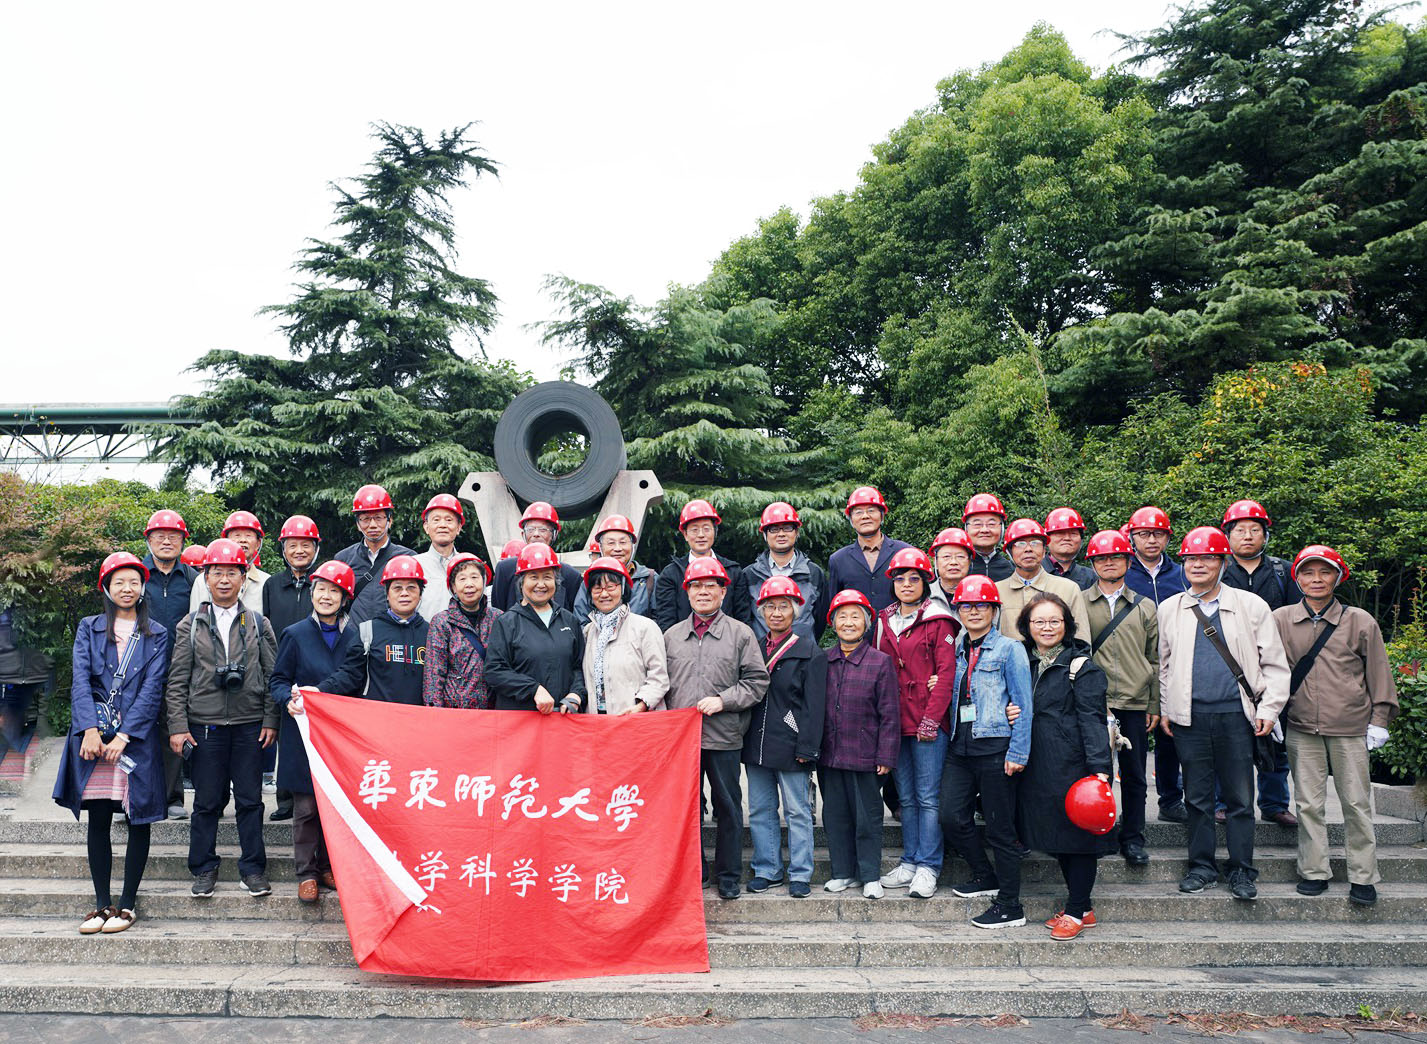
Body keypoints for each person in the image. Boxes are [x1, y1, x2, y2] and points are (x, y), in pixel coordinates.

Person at [1158, 526, 1290, 901]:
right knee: (1197, 798)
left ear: (1223, 562)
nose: (1198, 564)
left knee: (1239, 798)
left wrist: (1269, 709)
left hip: (1237, 715)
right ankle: (1201, 866)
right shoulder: (1171, 608)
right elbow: (1164, 666)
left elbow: (1275, 664)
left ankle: (1242, 868)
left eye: (1208, 558)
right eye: (1191, 559)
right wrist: (1167, 708)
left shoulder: (1251, 606)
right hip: (1190, 718)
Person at [53, 552, 169, 935]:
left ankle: (128, 904)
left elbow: (152, 689)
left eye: (134, 581)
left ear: (143, 587)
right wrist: (88, 729)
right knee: (99, 818)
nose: (127, 588)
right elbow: (81, 679)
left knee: (138, 818)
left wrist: (124, 735)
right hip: (95, 740)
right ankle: (102, 903)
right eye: (119, 582)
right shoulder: (88, 628)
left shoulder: (157, 633)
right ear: (106, 587)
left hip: (134, 741)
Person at [1275, 545, 1398, 907]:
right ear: (1297, 578)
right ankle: (1314, 870)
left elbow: (1379, 671)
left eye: (1324, 572)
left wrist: (1380, 719)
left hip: (1350, 725)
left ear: (1338, 577)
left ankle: (1363, 875)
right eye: (1308, 572)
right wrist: (1270, 712)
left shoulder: (1359, 620)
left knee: (1356, 802)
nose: (1316, 579)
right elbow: (1270, 670)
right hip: (1301, 725)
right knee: (1308, 803)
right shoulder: (1281, 619)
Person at [165, 538, 279, 900]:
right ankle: (203, 867)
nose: (225, 579)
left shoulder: (258, 622)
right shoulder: (190, 624)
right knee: (206, 802)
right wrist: (178, 726)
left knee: (250, 800)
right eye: (217, 572)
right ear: (206, 577)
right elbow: (177, 679)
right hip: (205, 725)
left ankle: (253, 869)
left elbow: (272, 675)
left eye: (232, 572)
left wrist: (271, 719)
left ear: (243, 577)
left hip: (249, 725)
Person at [664, 557, 770, 899]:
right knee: (687, 810)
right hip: (683, 741)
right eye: (696, 586)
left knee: (728, 807)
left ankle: (728, 875)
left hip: (724, 736)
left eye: (711, 585)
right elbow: (661, 686)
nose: (703, 592)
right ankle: (696, 870)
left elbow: (757, 682)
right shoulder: (671, 636)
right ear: (687, 593)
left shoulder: (740, 634)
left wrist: (723, 700)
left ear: (723, 592)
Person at [1015, 592, 1116, 940]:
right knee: (1056, 837)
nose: (1047, 628)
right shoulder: (1022, 661)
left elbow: (1092, 719)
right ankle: (1083, 908)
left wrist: (1100, 770)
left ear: (1067, 625)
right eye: (1039, 621)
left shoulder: (1081, 667)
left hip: (1074, 765)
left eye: (1054, 621)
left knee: (1078, 840)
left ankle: (1075, 910)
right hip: (1038, 765)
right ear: (1027, 626)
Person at [941, 575, 1033, 930]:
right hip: (960, 748)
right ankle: (984, 874)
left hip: (996, 747)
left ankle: (1010, 905)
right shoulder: (956, 648)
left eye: (982, 605)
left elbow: (1023, 705)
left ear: (994, 610)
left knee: (1000, 829)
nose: (974, 611)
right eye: (966, 605)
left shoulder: (1010, 650)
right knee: (950, 816)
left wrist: (1018, 752)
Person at [269, 560, 360, 902]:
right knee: (306, 806)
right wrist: (288, 700)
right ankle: (306, 872)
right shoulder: (295, 634)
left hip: (337, 734)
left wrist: (319, 692)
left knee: (334, 805)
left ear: (345, 598)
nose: (326, 596)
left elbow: (353, 676)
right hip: (303, 732)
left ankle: (327, 866)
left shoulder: (354, 636)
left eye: (334, 591)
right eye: (321, 589)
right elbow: (278, 680)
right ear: (312, 594)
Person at [874, 548, 956, 899]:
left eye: (914, 578)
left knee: (928, 797)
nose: (906, 584)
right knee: (906, 798)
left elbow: (946, 675)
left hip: (927, 721)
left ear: (925, 582)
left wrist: (932, 720)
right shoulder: (884, 620)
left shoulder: (939, 619)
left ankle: (928, 866)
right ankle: (909, 860)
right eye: (900, 579)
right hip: (896, 721)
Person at [743, 577, 827, 898]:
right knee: (760, 810)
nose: (776, 613)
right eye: (770, 607)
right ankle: (767, 869)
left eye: (783, 606)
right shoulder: (752, 647)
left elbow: (815, 707)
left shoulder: (809, 651)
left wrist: (808, 747)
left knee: (797, 811)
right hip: (756, 743)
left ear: (795, 611)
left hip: (792, 744)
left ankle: (801, 873)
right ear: (761, 611)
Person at [1220, 499, 1301, 828]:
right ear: (1228, 535)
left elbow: (1295, 617)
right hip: (1228, 666)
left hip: (1271, 663)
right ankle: (1222, 802)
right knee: (1225, 739)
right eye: (1240, 530)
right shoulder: (1219, 570)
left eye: (1255, 530)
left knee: (1274, 738)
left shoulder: (1283, 571)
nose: (1248, 536)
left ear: (1265, 535)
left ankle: (1274, 803)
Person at [1083, 529, 1159, 867]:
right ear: (1092, 563)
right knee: (1094, 772)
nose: (1109, 562)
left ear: (1128, 561)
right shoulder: (1079, 602)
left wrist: (1154, 703)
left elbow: (1155, 659)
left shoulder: (1145, 606)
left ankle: (1133, 838)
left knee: (1135, 775)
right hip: (1093, 703)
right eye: (1101, 558)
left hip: (1134, 701)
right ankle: (1097, 832)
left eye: (1116, 556)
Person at [819, 590, 899, 899]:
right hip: (830, 754)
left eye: (856, 616)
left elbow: (889, 713)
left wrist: (886, 755)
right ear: (833, 623)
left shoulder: (880, 662)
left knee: (868, 819)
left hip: (865, 755)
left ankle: (869, 875)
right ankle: (842, 872)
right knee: (835, 817)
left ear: (866, 623)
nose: (849, 622)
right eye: (842, 616)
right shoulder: (824, 660)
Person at [1123, 506, 1190, 824]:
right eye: (1144, 534)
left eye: (1158, 534)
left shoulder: (1182, 573)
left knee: (1171, 734)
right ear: (1132, 537)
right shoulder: (1123, 571)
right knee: (1130, 736)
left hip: (1178, 661)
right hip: (1134, 662)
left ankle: (1171, 798)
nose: (1151, 540)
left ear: (1168, 537)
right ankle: (1125, 805)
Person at [261, 514, 323, 822]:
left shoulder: (323, 582)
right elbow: (266, 627)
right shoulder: (272, 585)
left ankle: (318, 795)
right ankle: (285, 800)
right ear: (283, 548)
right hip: (282, 668)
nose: (299, 551)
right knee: (286, 736)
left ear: (316, 548)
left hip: (317, 668)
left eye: (306, 545)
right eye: (292, 545)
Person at [141, 509, 198, 820]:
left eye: (173, 536)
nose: (166, 541)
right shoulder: (137, 575)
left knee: (174, 730)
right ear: (149, 540)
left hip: (180, 668)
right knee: (138, 731)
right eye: (159, 536)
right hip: (141, 667)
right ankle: (134, 797)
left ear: (182, 541)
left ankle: (173, 797)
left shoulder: (192, 579)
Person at [485, 544, 587, 712]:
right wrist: (533, 689)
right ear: (521, 582)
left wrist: (576, 694)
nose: (541, 584)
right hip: (520, 719)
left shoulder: (569, 621)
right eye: (533, 577)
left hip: (562, 719)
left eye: (547, 577)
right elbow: (494, 671)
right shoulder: (506, 623)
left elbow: (579, 667)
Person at [320, 557, 430, 705]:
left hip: (419, 716)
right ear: (387, 594)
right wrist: (319, 690)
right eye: (397, 588)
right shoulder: (368, 631)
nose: (404, 593)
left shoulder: (431, 634)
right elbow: (350, 674)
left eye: (411, 588)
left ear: (420, 594)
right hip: (376, 716)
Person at [580, 557, 668, 715]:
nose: (604, 594)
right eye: (597, 588)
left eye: (611, 587)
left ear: (623, 589)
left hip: (635, 719)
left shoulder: (645, 627)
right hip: (598, 722)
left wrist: (641, 705)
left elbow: (659, 677)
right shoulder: (589, 632)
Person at [655, 499, 752, 630]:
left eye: (706, 529)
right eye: (694, 530)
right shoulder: (671, 574)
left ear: (715, 532)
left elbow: (743, 619)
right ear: (685, 534)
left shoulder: (733, 571)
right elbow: (666, 623)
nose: (701, 535)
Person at [742, 502, 830, 644]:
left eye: (788, 528)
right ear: (765, 535)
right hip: (761, 653)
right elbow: (745, 618)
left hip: (803, 653)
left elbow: (820, 618)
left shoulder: (813, 573)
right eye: (774, 529)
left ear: (796, 532)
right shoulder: (749, 575)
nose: (781, 534)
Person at [423, 553, 502, 709]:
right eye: (462, 579)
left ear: (484, 582)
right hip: (455, 713)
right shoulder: (442, 622)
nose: (469, 584)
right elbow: (433, 675)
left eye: (474, 577)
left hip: (492, 711)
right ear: (453, 587)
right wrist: (435, 712)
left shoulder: (498, 618)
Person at [995, 519, 1092, 642]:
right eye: (1020, 544)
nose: (1028, 549)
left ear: (1044, 550)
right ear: (1009, 552)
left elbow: (1081, 638)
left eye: (1035, 543)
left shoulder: (1068, 589)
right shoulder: (997, 591)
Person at [335, 484, 417, 626]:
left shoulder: (408, 558)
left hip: (393, 633)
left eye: (379, 518)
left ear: (389, 521)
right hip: (354, 636)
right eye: (365, 519)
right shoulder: (343, 559)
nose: (372, 525)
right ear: (358, 524)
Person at [826, 486, 912, 611]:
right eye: (858, 512)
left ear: (882, 516)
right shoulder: (838, 560)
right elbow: (834, 607)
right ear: (851, 520)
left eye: (871, 510)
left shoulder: (904, 552)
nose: (865, 516)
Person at [489, 502, 583, 613]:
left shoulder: (571, 576)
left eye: (543, 529)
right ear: (523, 534)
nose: (536, 534)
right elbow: (498, 611)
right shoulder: (505, 569)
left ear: (554, 535)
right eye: (530, 529)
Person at [572, 515, 658, 621]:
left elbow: (660, 619)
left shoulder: (649, 579)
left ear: (632, 546)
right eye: (611, 543)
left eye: (623, 542)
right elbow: (581, 620)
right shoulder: (591, 580)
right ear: (601, 547)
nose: (617, 548)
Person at [189, 511, 270, 612]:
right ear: (226, 540)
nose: (243, 540)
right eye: (237, 535)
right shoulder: (203, 580)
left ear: (258, 544)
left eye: (248, 535)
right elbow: (195, 618)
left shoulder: (266, 582)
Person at [415, 494, 467, 622]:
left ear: (459, 527)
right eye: (436, 520)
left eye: (449, 520)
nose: (442, 525)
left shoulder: (469, 566)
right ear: (426, 527)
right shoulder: (415, 565)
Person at [963, 494, 1014, 582]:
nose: (984, 530)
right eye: (977, 524)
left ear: (1002, 529)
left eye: (991, 524)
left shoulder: (1011, 570)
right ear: (966, 529)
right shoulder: (959, 568)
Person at [1043, 508, 1096, 589]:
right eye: (1060, 533)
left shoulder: (1090, 578)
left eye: (1073, 534)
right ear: (1047, 539)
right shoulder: (1033, 571)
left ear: (1081, 539)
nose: (1067, 538)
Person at [927, 527, 974, 611]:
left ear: (969, 561)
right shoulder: (924, 595)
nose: (953, 562)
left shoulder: (979, 592)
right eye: (946, 556)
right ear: (936, 561)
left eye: (960, 556)